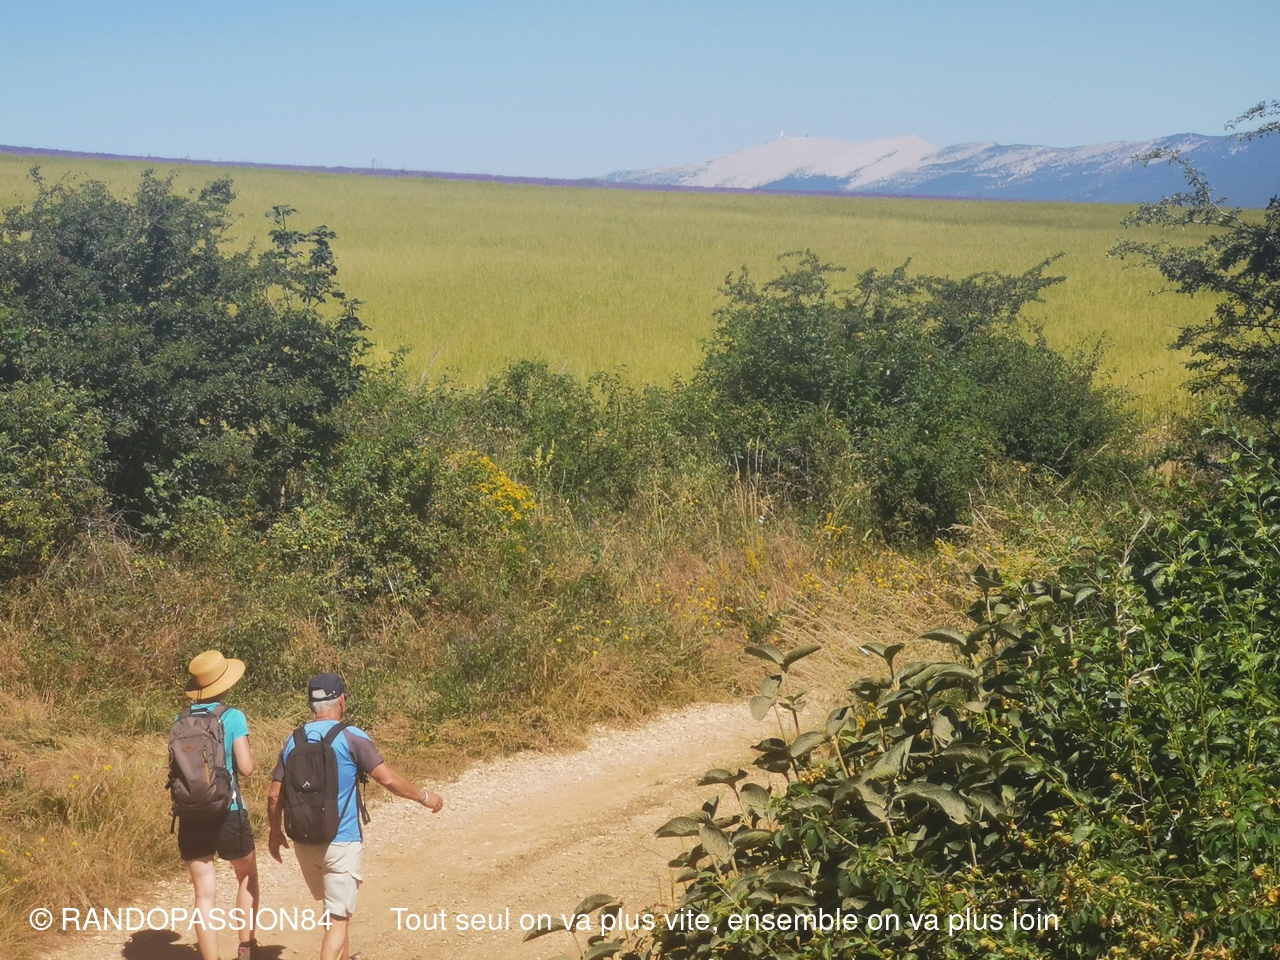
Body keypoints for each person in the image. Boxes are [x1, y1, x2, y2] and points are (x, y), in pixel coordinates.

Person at [267, 673, 443, 960]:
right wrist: (425, 797)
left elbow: (275, 795)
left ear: (311, 705)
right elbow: (387, 779)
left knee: (336, 911)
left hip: (304, 842)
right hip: (341, 841)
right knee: (338, 920)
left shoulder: (292, 740)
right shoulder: (351, 736)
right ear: (341, 700)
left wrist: (275, 833)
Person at [175, 650, 260, 960]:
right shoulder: (233, 716)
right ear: (225, 683)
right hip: (229, 811)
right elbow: (246, 767)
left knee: (203, 894)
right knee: (247, 876)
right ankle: (245, 949)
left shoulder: (180, 720)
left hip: (191, 814)